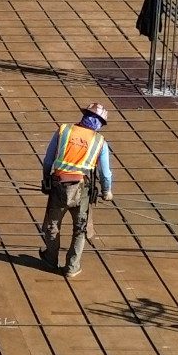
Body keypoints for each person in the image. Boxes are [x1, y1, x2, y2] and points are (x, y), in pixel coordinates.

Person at [39, 103, 115, 275]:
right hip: (83, 190)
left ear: (84, 115)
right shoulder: (100, 142)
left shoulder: (64, 130)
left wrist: (46, 181)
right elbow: (106, 173)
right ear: (100, 124)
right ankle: (72, 267)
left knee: (52, 225)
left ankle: (51, 258)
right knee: (80, 229)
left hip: (59, 186)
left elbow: (48, 161)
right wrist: (106, 191)